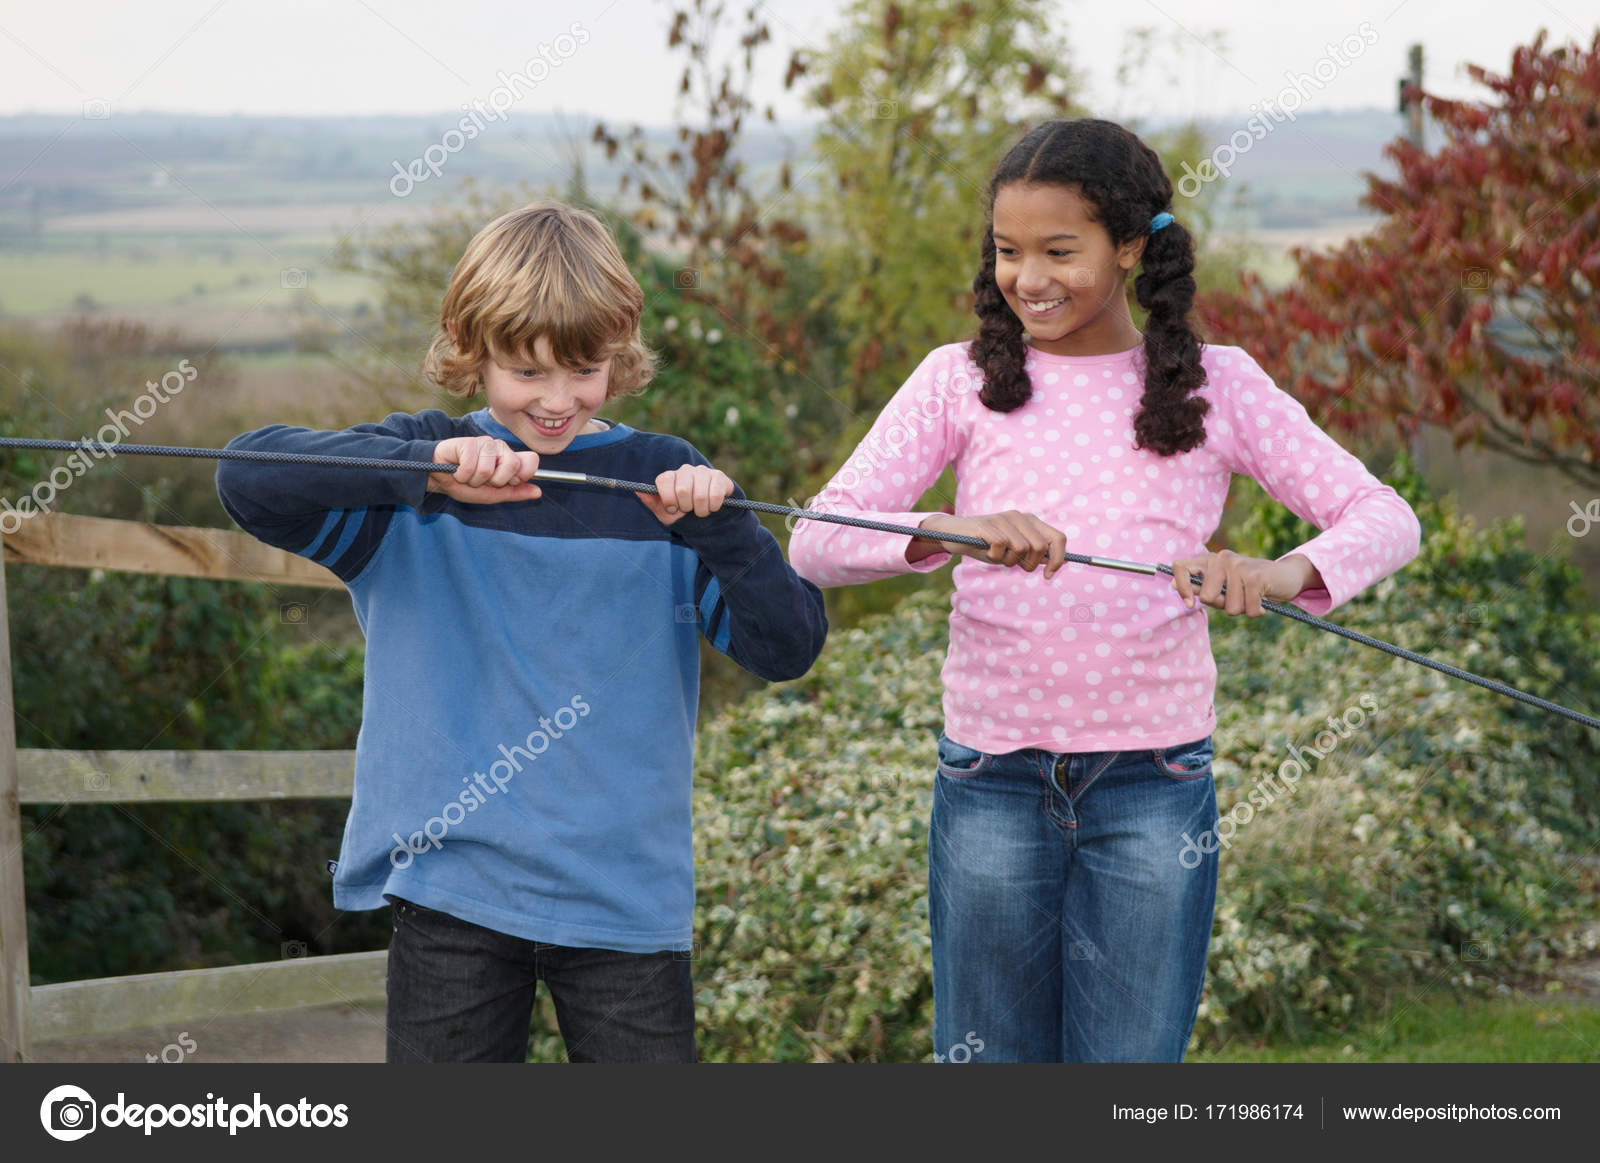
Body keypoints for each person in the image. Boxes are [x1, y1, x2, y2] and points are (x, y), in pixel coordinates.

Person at [787, 119, 1420, 1062]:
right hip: (991, 777)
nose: (1028, 278)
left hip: (1153, 785)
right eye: (1007, 251)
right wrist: (947, 530)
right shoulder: (954, 383)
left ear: (1129, 248)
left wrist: (1282, 572)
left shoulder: (1219, 387)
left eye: (1058, 251)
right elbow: (814, 540)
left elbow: (1384, 515)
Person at [217, 201, 827, 1063]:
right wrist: (423, 475)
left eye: (583, 370)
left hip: (628, 903)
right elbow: (246, 475)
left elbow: (788, 646)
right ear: (472, 351)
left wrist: (722, 526)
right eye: (525, 371)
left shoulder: (662, 481)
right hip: (449, 889)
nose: (555, 401)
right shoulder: (419, 472)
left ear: (620, 351)